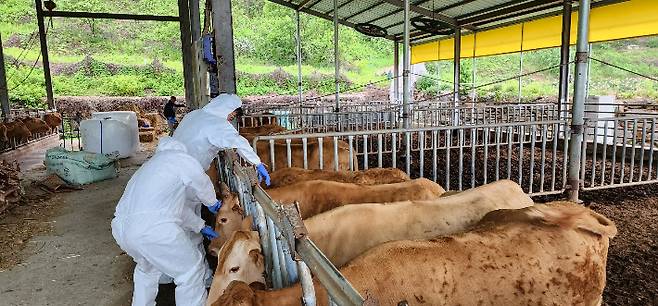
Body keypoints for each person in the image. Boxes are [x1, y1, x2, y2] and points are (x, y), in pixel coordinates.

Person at [111, 137, 223, 306]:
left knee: (147, 270)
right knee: (190, 270)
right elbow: (201, 181)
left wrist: (200, 226)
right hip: (153, 229)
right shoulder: (179, 158)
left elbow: (173, 208)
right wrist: (212, 202)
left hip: (123, 229)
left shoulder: (149, 167)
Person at [172, 93, 271, 186]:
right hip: (186, 170)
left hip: (169, 162)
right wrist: (257, 163)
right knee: (186, 199)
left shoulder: (195, 114)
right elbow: (239, 143)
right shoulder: (216, 123)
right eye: (231, 116)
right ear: (225, 110)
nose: (229, 120)